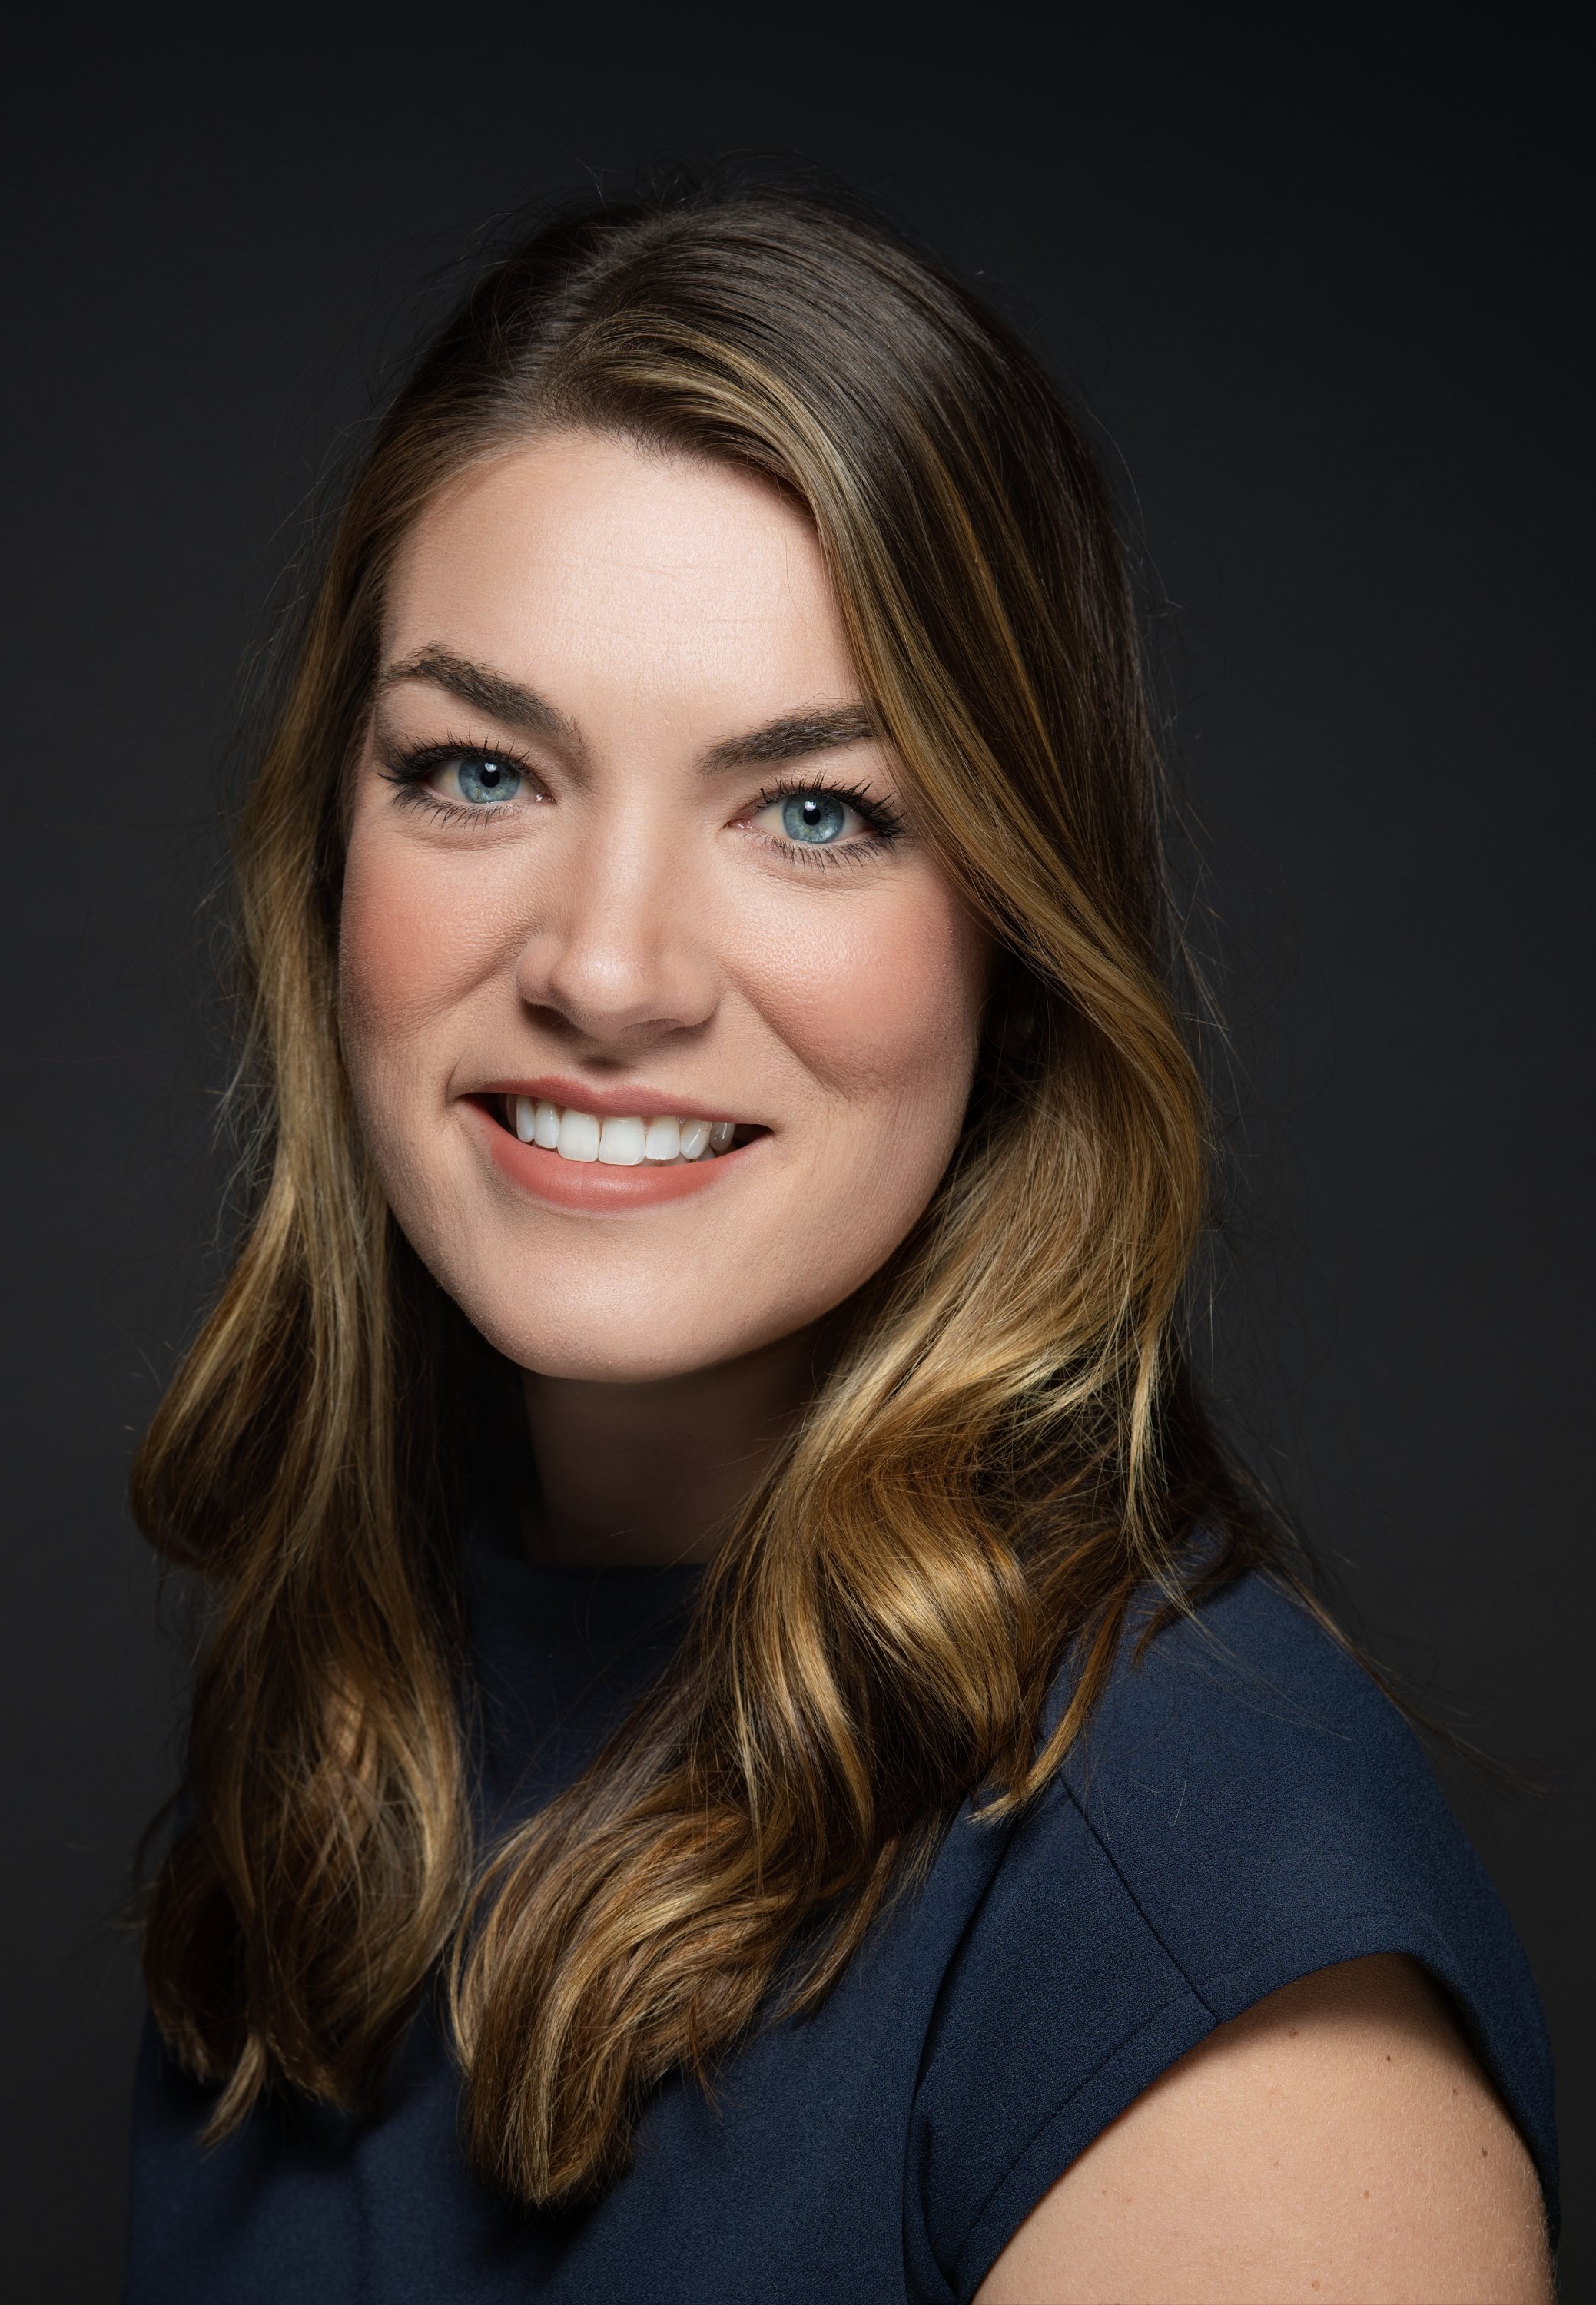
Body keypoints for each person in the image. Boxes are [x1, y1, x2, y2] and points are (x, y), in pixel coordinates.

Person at [121, 181, 1556, 2303]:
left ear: (1022, 943)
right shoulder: (347, 1731)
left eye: (816, 812)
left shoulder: (1201, 1934)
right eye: (482, 770)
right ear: (329, 858)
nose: (606, 967)